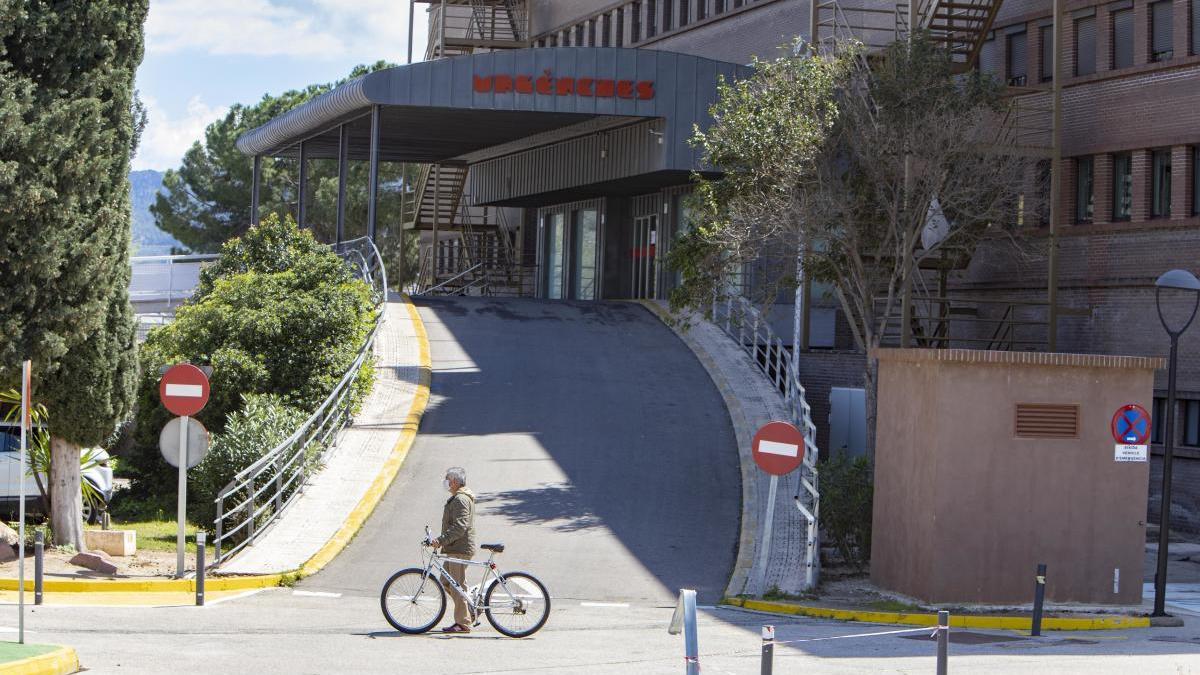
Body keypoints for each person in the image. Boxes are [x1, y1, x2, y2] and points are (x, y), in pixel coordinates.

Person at [430, 466, 476, 633]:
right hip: (454, 548)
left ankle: (463, 623)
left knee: (457, 586)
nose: (446, 482)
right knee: (446, 582)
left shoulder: (460, 500)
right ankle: (469, 610)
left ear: (455, 482)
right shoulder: (458, 498)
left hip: (459, 548)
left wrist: (441, 541)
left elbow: (460, 526)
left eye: (448, 479)